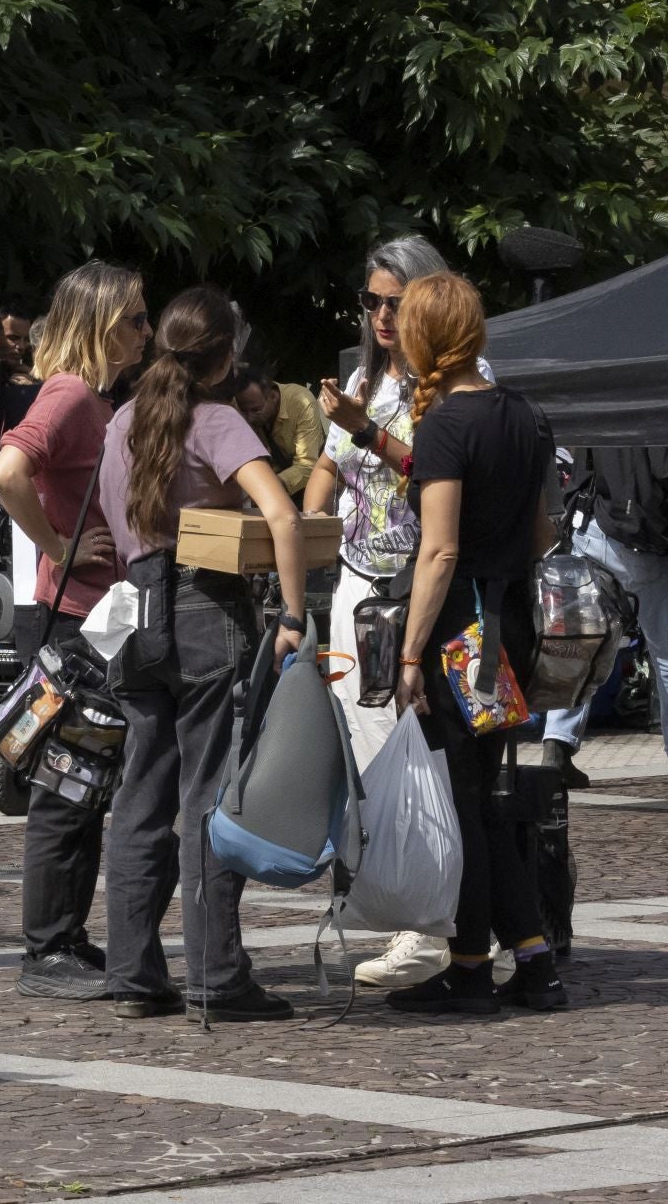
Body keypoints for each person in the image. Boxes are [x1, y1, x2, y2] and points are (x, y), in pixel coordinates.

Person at [98, 284, 307, 1023]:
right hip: (204, 608)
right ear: (225, 358)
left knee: (139, 797)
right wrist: (293, 613)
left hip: (135, 612)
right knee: (209, 796)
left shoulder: (122, 420)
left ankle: (130, 973)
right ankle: (216, 973)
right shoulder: (214, 420)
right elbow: (281, 514)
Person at [301, 235, 488, 989]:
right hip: (354, 582)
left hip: (416, 588)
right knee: (366, 750)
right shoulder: (365, 378)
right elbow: (327, 464)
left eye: (394, 301)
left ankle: (428, 924)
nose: (380, 314)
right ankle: (391, 903)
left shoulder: (455, 388)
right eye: (370, 301)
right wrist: (302, 530)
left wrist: (361, 433)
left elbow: (427, 471)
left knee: (415, 755)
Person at [388, 272, 566, 1014]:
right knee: (487, 796)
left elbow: (438, 551)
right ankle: (533, 957)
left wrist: (408, 654)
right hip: (510, 624)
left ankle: (469, 968)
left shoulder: (445, 428)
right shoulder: (526, 416)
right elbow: (545, 529)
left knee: (462, 797)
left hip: (462, 633)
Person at [0, 260, 147, 1001]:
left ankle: (64, 940)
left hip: (94, 617)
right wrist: (57, 546)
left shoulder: (93, 397)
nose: (146, 333)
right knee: (67, 787)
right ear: (101, 323)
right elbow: (7, 469)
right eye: (136, 320)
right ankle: (47, 948)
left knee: (83, 788)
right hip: (83, 619)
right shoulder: (73, 394)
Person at [539, 446, 668, 782]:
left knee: (580, 644)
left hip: (593, 526)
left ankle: (557, 746)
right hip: (646, 541)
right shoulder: (654, 405)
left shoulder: (609, 398)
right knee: (665, 654)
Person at [233, 364, 327, 500]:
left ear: (273, 396)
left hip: (306, 486)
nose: (249, 417)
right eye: (244, 411)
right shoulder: (239, 405)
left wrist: (269, 488)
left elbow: (307, 465)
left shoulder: (300, 401)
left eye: (256, 410)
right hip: (267, 482)